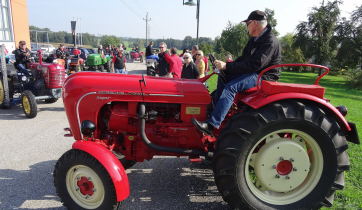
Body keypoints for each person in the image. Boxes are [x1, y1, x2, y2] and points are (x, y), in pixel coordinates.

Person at [192, 10, 281, 135]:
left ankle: (212, 125)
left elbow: (255, 65)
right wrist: (225, 66)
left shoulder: (270, 41)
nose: (246, 26)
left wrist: (227, 66)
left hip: (264, 76)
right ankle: (212, 110)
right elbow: (243, 59)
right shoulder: (254, 39)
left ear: (254, 23)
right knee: (223, 76)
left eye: (247, 23)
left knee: (231, 87)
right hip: (255, 72)